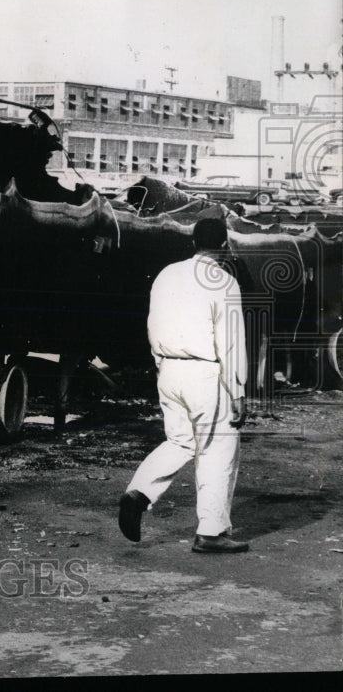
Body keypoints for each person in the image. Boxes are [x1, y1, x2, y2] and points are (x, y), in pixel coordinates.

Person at [119, 216, 249, 553]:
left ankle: (140, 492)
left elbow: (153, 326)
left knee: (179, 441)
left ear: (193, 243)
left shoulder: (166, 274)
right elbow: (231, 343)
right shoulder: (223, 282)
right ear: (224, 245)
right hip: (205, 373)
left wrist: (162, 366)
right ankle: (211, 532)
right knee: (218, 448)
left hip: (169, 371)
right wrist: (238, 391)